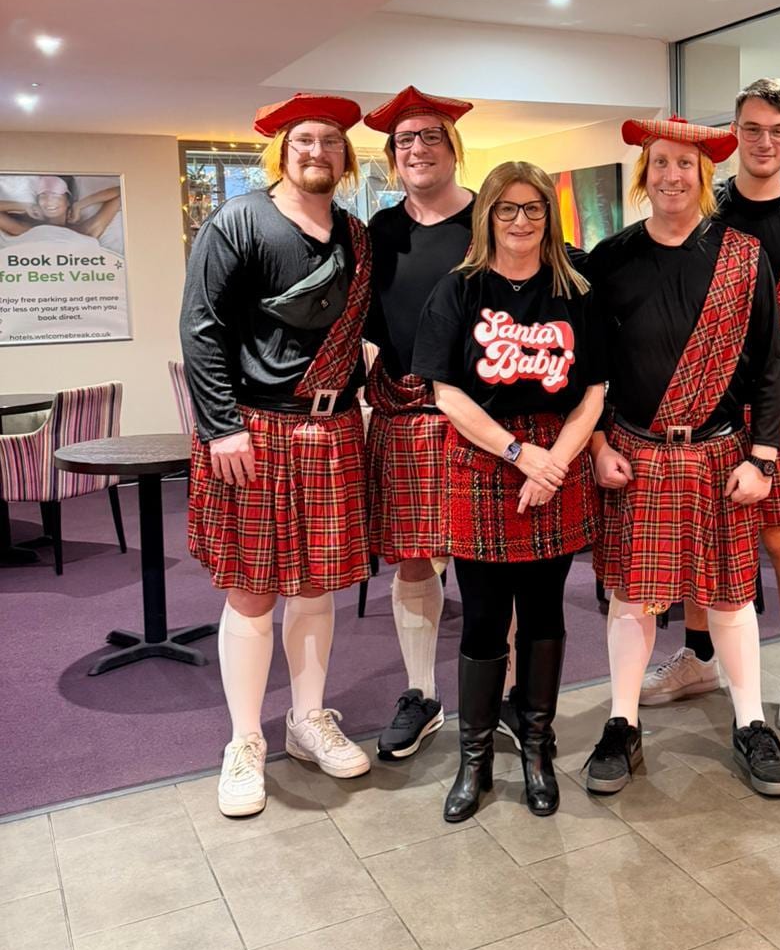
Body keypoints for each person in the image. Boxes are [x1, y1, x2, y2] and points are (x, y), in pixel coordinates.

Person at [585, 114, 780, 798]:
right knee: (632, 597)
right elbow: (590, 368)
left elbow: (770, 366)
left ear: (704, 176)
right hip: (635, 453)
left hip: (718, 453)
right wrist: (595, 445)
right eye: (661, 163)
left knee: (731, 595)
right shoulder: (610, 258)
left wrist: (762, 459)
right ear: (643, 174)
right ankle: (622, 723)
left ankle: (751, 722)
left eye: (685, 165)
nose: (672, 176)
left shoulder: (743, 254)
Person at [182, 92, 373, 818]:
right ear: (282, 151)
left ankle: (306, 719)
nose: (318, 151)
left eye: (330, 140)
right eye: (304, 140)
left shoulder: (356, 235)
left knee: (317, 586)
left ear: (344, 155)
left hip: (334, 428)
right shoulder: (237, 221)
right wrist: (220, 427)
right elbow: (201, 328)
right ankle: (243, 741)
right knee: (252, 588)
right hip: (254, 430)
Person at [644, 80, 780, 733]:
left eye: (778, 130)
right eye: (753, 128)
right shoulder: (705, 210)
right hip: (707, 391)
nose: (765, 141)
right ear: (734, 131)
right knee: (704, 529)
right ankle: (700, 657)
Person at [413, 161, 604, 822]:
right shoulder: (458, 288)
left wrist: (554, 465)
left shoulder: (576, 287)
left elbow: (595, 390)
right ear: (487, 215)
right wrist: (521, 455)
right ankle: (474, 761)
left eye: (533, 208)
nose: (521, 221)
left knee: (546, 614)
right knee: (485, 617)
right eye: (506, 209)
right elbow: (446, 392)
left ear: (549, 215)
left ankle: (537, 751)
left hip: (557, 453)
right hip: (484, 458)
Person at [362, 85, 475, 763]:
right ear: (392, 156)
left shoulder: (494, 218)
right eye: (406, 139)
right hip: (404, 410)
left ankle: (502, 698)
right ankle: (421, 694)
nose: (419, 148)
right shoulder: (379, 232)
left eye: (432, 136)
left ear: (453, 148)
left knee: (491, 563)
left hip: (485, 415)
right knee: (411, 558)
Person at [0, 175, 123, 241]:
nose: (49, 201)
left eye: (56, 195)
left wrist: (80, 205)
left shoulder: (85, 230)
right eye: (43, 195)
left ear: (68, 201)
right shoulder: (26, 229)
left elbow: (121, 191)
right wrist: (24, 206)